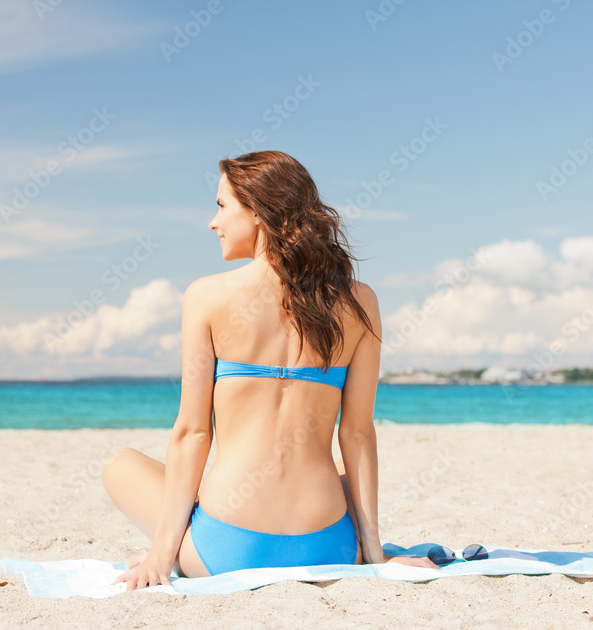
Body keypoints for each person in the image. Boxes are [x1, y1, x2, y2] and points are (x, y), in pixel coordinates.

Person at [102, 150, 439, 590]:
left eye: (222, 206)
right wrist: (374, 555)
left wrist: (161, 557)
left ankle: (181, 539)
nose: (212, 222)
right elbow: (356, 433)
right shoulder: (360, 302)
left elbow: (193, 434)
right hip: (329, 547)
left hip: (224, 551)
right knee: (338, 479)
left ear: (259, 212)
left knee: (119, 463)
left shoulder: (206, 297)